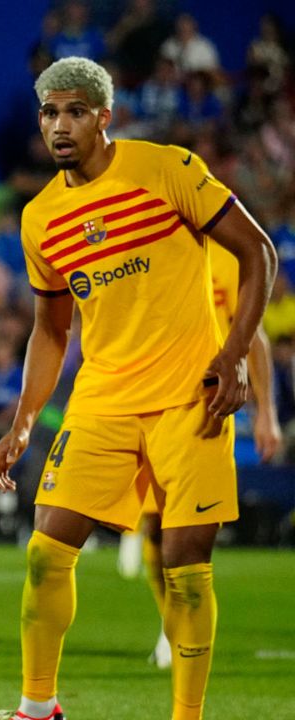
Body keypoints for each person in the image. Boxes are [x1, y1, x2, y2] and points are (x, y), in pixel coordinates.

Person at [0, 57, 277, 720]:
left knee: (183, 563)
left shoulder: (164, 168)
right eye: (50, 113)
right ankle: (38, 708)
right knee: (45, 552)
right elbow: (51, 328)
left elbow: (257, 252)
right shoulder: (40, 219)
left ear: (103, 118)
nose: (60, 126)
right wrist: (26, 418)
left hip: (189, 396)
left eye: (75, 112)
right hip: (103, 399)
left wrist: (233, 357)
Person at [117, 236, 285, 669]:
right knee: (154, 527)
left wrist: (267, 413)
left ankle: (183, 629)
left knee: (187, 535)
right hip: (149, 404)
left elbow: (255, 337)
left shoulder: (229, 255)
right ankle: (169, 621)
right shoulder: (148, 252)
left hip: (206, 409)